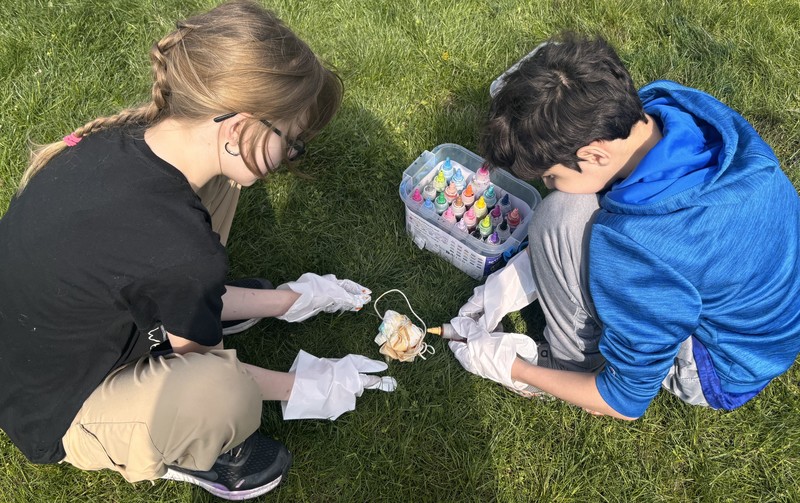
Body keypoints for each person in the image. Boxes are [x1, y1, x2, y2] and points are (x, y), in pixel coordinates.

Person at [0, 2, 396, 500]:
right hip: (54, 408)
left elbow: (159, 269)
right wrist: (307, 385)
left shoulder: (124, 141)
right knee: (225, 395)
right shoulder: (180, 247)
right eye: (291, 140)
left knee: (225, 181)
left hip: (43, 339)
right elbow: (204, 364)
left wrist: (288, 300)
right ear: (237, 129)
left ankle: (198, 311)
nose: (291, 155)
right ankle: (178, 445)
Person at [448, 32, 800, 420]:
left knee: (558, 215)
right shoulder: (674, 106)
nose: (548, 186)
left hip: (720, 368)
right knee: (569, 211)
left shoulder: (642, 246)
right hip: (768, 321)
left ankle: (569, 366)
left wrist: (512, 366)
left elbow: (623, 401)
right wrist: (528, 268)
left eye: (550, 176)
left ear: (594, 154)